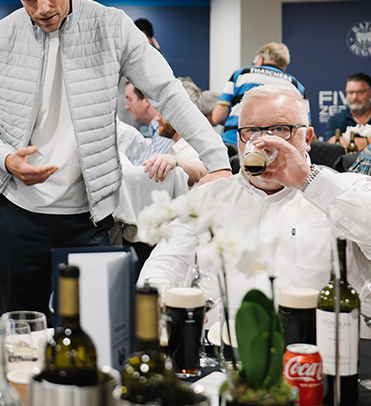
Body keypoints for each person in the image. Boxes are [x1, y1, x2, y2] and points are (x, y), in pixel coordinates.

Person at [0, 0, 230, 316]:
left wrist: (216, 158)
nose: (42, 8)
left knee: (98, 334)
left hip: (89, 217)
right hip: (17, 216)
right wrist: (5, 158)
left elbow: (168, 92)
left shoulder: (111, 25)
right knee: (21, 334)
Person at [139, 83, 371, 312]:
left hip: (317, 343)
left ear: (307, 138)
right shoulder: (209, 197)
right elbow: (164, 265)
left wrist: (307, 181)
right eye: (251, 131)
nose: (263, 142)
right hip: (220, 342)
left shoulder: (348, 190)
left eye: (280, 129)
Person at [212, 42, 309, 145]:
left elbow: (218, 117)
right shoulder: (296, 85)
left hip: (236, 143)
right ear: (284, 67)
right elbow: (304, 126)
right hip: (278, 147)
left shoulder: (241, 74)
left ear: (260, 59)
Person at [142, 78, 207, 187]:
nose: (157, 118)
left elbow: (200, 171)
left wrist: (176, 162)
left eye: (163, 112)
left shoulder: (194, 150)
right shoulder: (176, 149)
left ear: (181, 113)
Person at [124, 82, 174, 164]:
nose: (126, 106)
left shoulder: (164, 132)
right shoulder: (155, 133)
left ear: (146, 100)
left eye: (130, 100)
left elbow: (143, 170)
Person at [324, 72, 371, 150]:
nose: (354, 97)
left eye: (360, 92)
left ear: (370, 93)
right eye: (350, 92)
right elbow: (333, 144)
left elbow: (340, 143)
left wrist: (347, 142)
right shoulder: (336, 119)